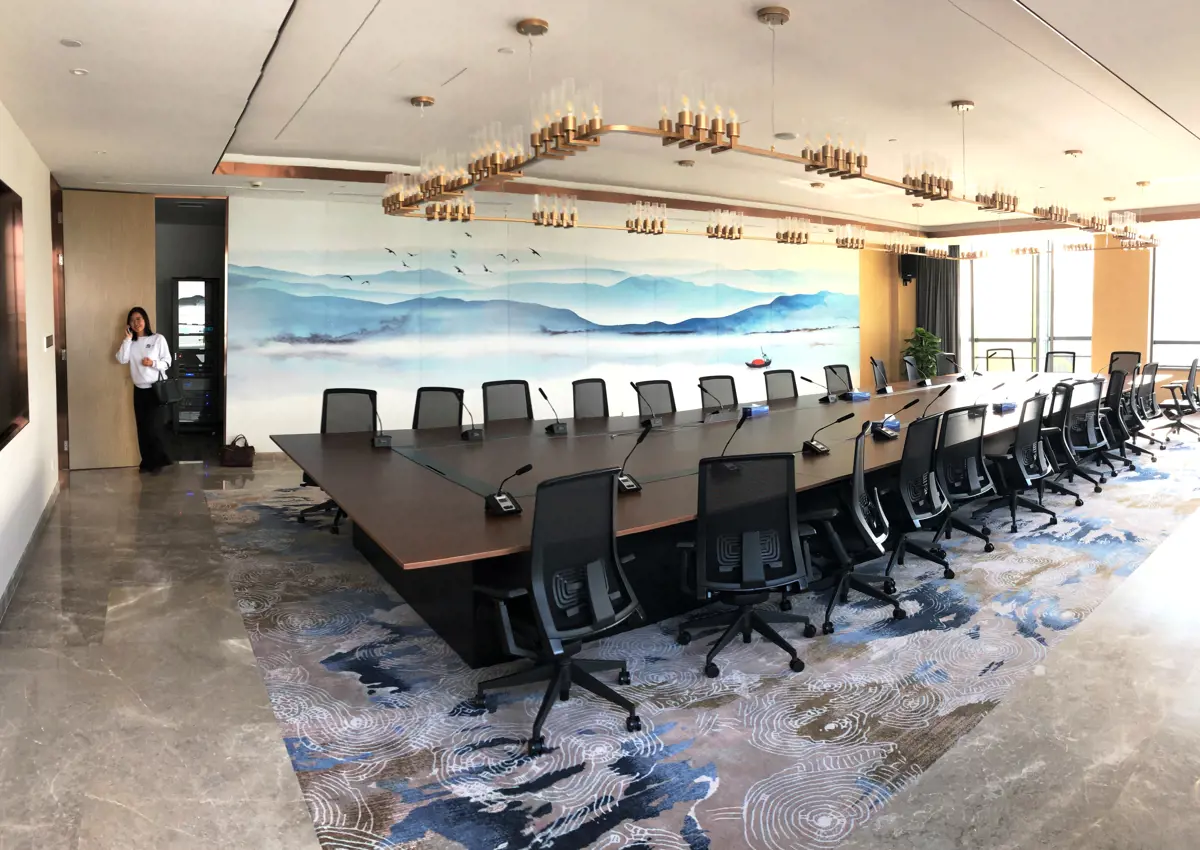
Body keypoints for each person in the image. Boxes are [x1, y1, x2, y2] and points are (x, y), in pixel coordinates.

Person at [116, 306, 172, 473]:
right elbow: (121, 359)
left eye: (139, 318)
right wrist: (127, 339)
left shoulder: (157, 339)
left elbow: (168, 362)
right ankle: (146, 462)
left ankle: (159, 461)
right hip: (139, 390)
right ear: (129, 324)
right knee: (142, 428)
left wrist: (153, 363)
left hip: (155, 389)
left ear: (145, 320)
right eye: (132, 320)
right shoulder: (130, 343)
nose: (136, 323)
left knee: (154, 427)